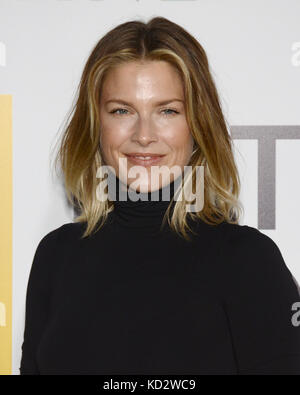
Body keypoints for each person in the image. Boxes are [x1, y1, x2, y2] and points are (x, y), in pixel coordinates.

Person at [20, 16, 300, 375]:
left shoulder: (248, 262)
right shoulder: (55, 258)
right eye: (122, 110)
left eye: (167, 111)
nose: (144, 135)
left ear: (197, 124)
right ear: (96, 124)